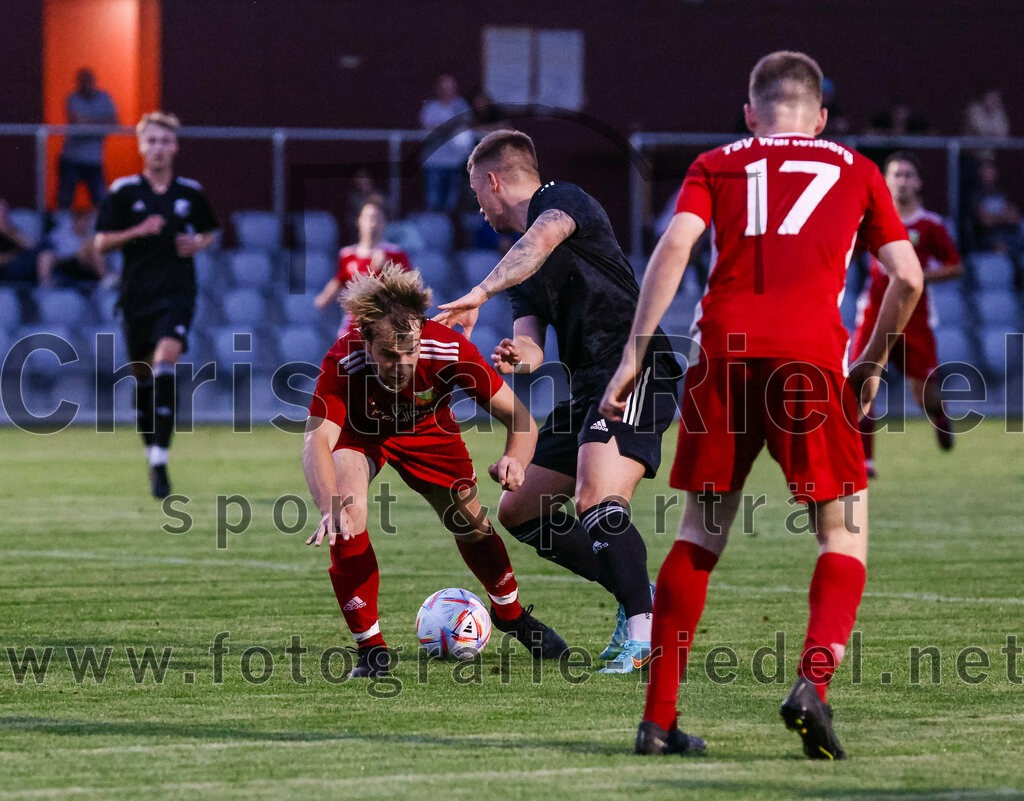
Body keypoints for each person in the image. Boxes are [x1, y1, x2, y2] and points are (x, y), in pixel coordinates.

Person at [600, 51, 923, 758]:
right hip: (811, 359)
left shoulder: (716, 164)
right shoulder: (858, 169)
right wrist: (870, 364)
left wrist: (633, 355)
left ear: (751, 114)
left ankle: (656, 721)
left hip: (722, 354)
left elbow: (674, 247)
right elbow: (907, 276)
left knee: (699, 533)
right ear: (821, 117)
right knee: (843, 532)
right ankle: (813, 685)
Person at [435, 130, 683, 674]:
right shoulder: (519, 267)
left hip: (635, 368)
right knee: (520, 511)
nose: (479, 209)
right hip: (588, 386)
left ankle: (645, 634)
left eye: (476, 195)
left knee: (597, 497)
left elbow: (543, 239)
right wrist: (516, 356)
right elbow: (532, 346)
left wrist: (479, 293)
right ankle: (638, 593)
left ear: (493, 182)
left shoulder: (562, 199)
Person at [303, 263, 567, 677]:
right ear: (366, 340)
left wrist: (515, 458)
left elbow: (520, 419)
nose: (402, 364)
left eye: (409, 352)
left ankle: (511, 615)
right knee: (346, 519)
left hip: (428, 431)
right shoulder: (343, 360)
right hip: (360, 433)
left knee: (470, 522)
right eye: (389, 355)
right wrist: (328, 505)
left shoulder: (448, 349)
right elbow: (317, 440)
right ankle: (371, 650)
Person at [94, 112, 219, 499]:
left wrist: (197, 243)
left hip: (177, 294)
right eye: (152, 141)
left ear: (175, 146)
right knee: (144, 379)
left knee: (166, 361)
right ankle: (152, 453)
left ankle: (161, 461)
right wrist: (138, 230)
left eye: (165, 141)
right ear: (140, 146)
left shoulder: (190, 192)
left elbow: (210, 231)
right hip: (135, 299)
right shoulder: (124, 191)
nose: (158, 148)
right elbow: (100, 242)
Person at [851, 151, 962, 478]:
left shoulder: (930, 225)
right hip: (874, 312)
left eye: (908, 175)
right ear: (885, 181)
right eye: (896, 175)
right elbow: (847, 250)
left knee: (924, 394)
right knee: (861, 382)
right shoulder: (871, 218)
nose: (902, 181)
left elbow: (955, 266)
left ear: (918, 182)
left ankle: (938, 414)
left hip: (914, 316)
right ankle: (864, 462)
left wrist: (917, 276)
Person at [314, 197, 412, 336]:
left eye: (377, 218)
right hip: (354, 324)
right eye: (368, 218)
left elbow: (410, 289)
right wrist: (323, 298)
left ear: (384, 223)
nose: (372, 224)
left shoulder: (395, 254)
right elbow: (341, 280)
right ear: (359, 221)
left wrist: (387, 269)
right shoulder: (347, 254)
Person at [58, 68, 118, 209]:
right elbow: (77, 122)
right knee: (65, 201)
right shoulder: (72, 98)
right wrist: (101, 122)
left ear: (94, 82)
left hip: (94, 160)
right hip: (71, 159)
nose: (86, 84)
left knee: (101, 201)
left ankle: (102, 224)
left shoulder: (104, 98)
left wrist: (87, 121)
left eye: (89, 81)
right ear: (78, 83)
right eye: (82, 81)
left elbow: (114, 122)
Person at [419, 74, 473, 212]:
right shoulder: (431, 107)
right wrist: (451, 126)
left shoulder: (460, 105)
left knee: (451, 202)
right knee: (433, 200)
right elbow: (428, 126)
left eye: (450, 88)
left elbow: (467, 122)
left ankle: (448, 222)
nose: (447, 91)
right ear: (438, 89)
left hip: (455, 161)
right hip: (434, 160)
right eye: (444, 88)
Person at [38, 208, 106, 288]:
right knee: (45, 256)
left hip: (85, 263)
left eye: (84, 220)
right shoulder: (62, 233)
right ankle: (45, 287)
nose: (81, 223)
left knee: (92, 244)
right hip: (67, 261)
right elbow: (53, 247)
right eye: (78, 220)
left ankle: (105, 279)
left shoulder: (92, 234)